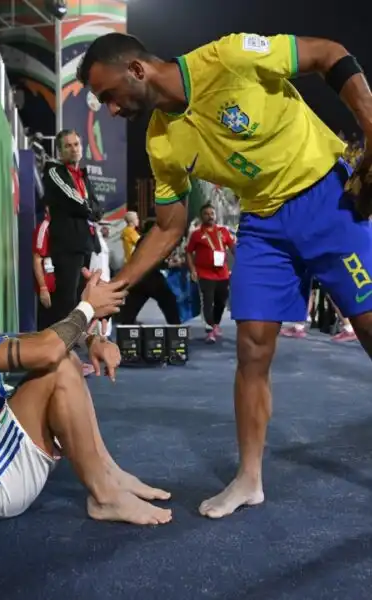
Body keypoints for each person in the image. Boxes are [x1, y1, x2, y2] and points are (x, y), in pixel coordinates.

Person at [77, 32, 372, 518]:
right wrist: (116, 285)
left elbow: (329, 53)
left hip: (326, 199)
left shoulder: (231, 57)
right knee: (251, 348)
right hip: (263, 224)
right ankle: (249, 479)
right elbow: (169, 227)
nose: (109, 109)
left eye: (108, 95)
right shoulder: (161, 140)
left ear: (136, 70)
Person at [0, 243, 172, 525]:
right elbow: (46, 350)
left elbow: (35, 338)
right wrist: (88, 307)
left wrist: (91, 338)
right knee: (57, 365)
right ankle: (105, 496)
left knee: (62, 356)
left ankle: (109, 474)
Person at [44, 129, 103, 323]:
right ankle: (59, 345)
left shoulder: (83, 175)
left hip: (85, 244)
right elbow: (73, 200)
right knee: (66, 299)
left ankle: (74, 341)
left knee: (80, 298)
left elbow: (97, 206)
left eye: (76, 144)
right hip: (67, 245)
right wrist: (91, 211)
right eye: (68, 146)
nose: (73, 149)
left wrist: (93, 211)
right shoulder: (54, 171)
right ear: (60, 151)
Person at [186, 203, 235, 343]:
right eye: (206, 214)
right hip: (205, 274)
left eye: (212, 213)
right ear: (202, 216)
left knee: (221, 301)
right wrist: (193, 270)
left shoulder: (223, 231)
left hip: (223, 273)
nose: (210, 216)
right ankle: (210, 329)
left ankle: (215, 324)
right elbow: (188, 253)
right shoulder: (196, 234)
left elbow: (233, 249)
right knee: (207, 302)